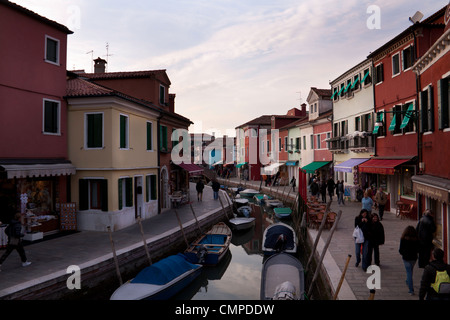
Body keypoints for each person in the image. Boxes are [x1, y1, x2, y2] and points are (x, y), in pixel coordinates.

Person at [399, 226, 420, 295]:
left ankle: (411, 290)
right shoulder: (416, 239)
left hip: (406, 258)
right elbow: (418, 249)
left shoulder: (403, 239)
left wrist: (403, 254)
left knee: (409, 272)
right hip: (414, 258)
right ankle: (408, 281)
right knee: (410, 271)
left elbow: (400, 250)